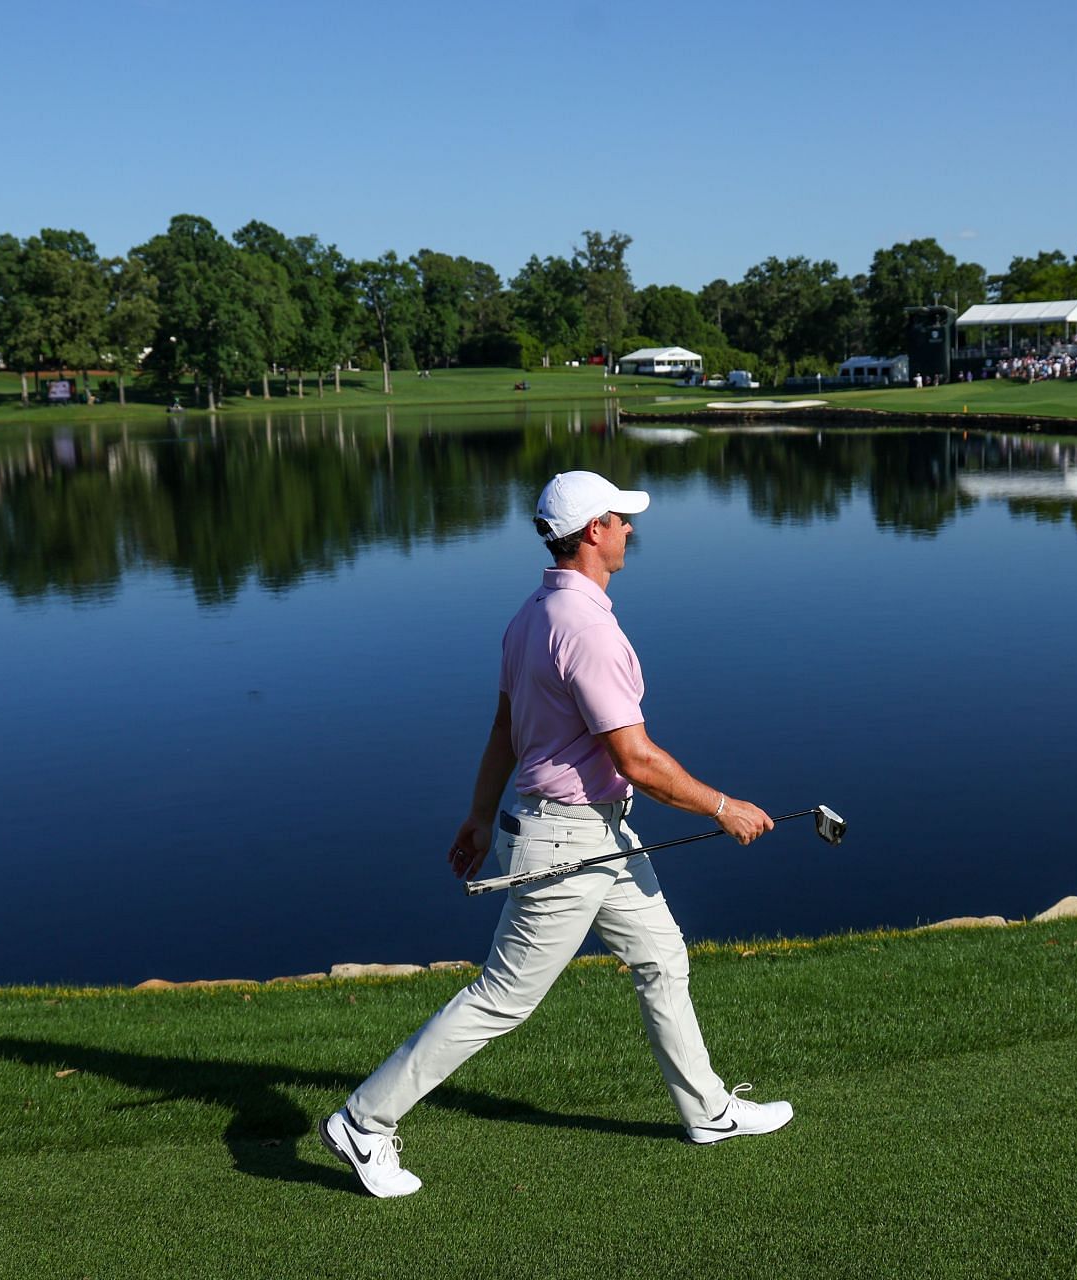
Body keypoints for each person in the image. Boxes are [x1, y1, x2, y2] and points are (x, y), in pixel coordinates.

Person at [321, 470, 793, 1198]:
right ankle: (364, 1121)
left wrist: (481, 816)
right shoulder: (588, 629)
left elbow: (504, 733)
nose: (632, 529)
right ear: (594, 532)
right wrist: (722, 805)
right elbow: (634, 756)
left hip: (596, 835)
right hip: (570, 845)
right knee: (501, 998)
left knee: (662, 957)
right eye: (621, 519)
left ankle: (708, 1112)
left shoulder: (532, 615)